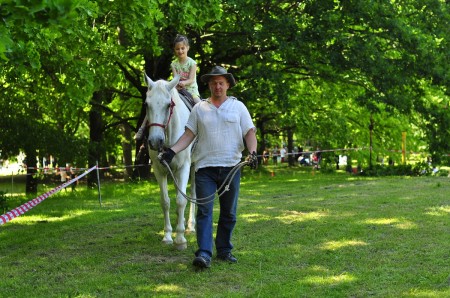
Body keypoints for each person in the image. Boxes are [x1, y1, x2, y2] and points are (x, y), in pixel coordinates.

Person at [159, 66, 258, 269]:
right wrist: (172, 151)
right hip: (205, 168)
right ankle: (204, 254)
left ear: (228, 84)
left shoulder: (238, 107)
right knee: (204, 211)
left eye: (221, 82)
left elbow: (249, 132)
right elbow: (188, 135)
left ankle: (224, 250)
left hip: (231, 168)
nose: (217, 86)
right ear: (209, 85)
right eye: (213, 83)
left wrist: (253, 152)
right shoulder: (199, 108)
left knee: (229, 213)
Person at [135, 34, 201, 140]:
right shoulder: (174, 64)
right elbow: (175, 78)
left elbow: (191, 79)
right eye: (177, 49)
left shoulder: (192, 63)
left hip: (191, 90)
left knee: (200, 106)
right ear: (175, 50)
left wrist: (184, 83)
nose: (180, 51)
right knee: (156, 104)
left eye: (182, 48)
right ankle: (142, 128)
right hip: (178, 89)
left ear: (187, 48)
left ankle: (204, 131)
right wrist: (176, 84)